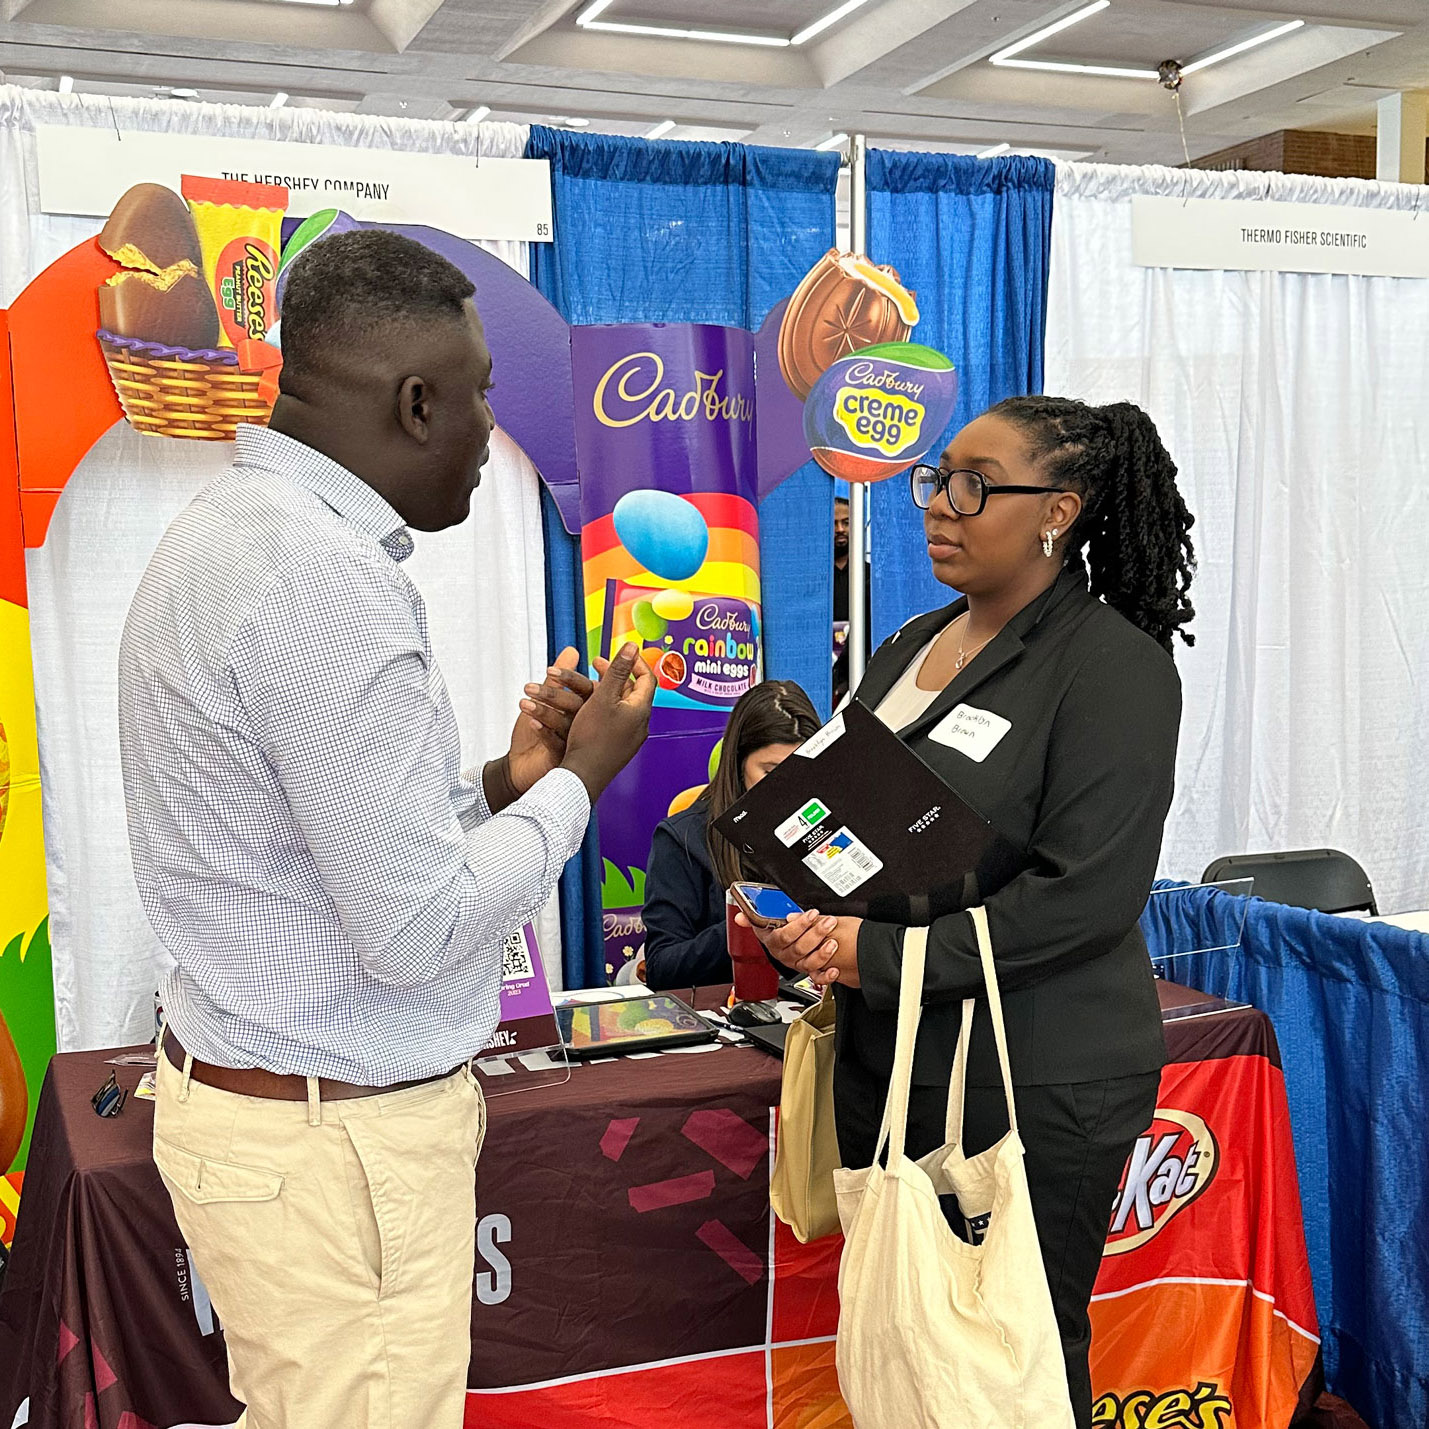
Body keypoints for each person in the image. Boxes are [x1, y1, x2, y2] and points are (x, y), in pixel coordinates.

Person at [117, 229, 655, 1429]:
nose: (485, 428)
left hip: (286, 1125)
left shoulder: (237, 532)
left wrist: (503, 785)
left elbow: (320, 836)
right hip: (332, 1150)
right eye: (481, 396)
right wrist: (584, 784)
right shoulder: (320, 580)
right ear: (418, 403)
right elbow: (414, 931)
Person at [740, 396, 1195, 1428]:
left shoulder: (1112, 669)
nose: (940, 505)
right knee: (912, 1348)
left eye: (974, 485)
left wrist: (881, 953)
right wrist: (807, 918)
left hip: (1033, 1075)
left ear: (1059, 511)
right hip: (894, 1058)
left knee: (1010, 1353)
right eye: (937, 479)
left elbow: (1084, 898)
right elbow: (847, 814)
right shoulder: (910, 643)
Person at [642, 680, 821, 990]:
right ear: (738, 764)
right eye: (770, 772)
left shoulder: (826, 828)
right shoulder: (682, 838)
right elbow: (662, 967)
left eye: (801, 771)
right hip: (729, 1018)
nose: (788, 789)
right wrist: (750, 920)